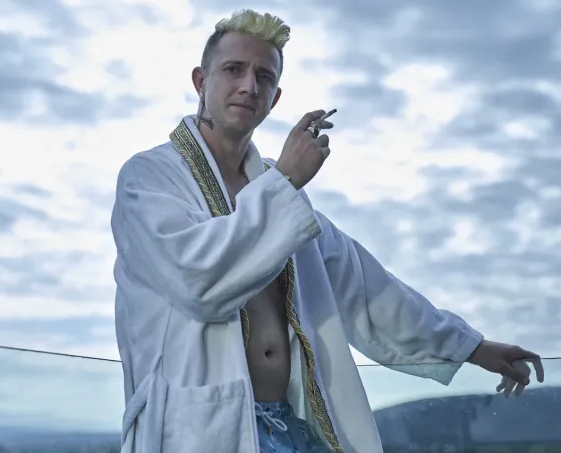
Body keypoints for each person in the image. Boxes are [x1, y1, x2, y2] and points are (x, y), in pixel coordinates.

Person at [110, 9, 545, 453]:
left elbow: (368, 288)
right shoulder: (150, 178)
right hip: (199, 432)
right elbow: (199, 282)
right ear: (201, 81)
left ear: (275, 98)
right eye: (234, 70)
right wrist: (286, 181)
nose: (249, 86)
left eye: (264, 76)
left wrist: (473, 347)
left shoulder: (277, 188)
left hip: (291, 427)